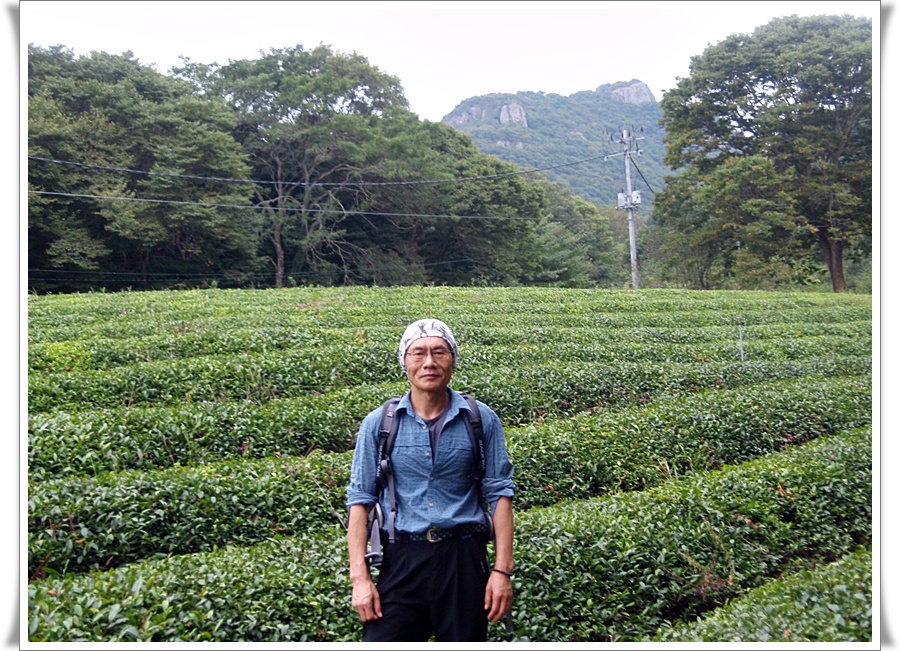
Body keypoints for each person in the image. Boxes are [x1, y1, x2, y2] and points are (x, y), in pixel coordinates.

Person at [346, 318, 515, 642]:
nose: (429, 362)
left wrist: (501, 571)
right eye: (418, 353)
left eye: (439, 352)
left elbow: (500, 494)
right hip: (402, 558)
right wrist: (360, 580)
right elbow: (360, 500)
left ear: (452, 359)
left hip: (464, 557)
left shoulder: (480, 419)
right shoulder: (379, 423)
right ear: (404, 361)